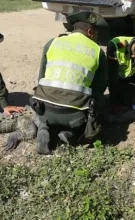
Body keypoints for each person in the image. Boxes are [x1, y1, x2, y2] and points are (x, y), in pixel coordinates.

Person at [30, 11, 109, 155]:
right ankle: (70, 133)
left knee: (52, 107)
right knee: (99, 102)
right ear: (90, 31)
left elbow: (41, 77)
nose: (97, 37)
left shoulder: (52, 43)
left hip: (44, 109)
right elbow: (99, 87)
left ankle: (44, 127)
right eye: (96, 33)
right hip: (74, 117)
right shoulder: (97, 51)